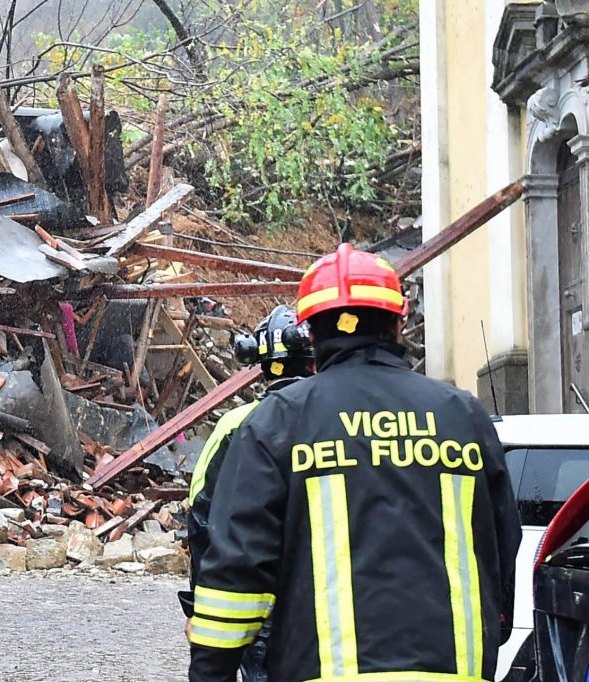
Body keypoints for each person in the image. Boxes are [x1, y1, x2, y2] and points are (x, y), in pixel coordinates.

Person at [187, 244, 522, 682]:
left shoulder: (278, 421)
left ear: (310, 334)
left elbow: (236, 571)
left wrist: (211, 671)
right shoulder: (463, 415)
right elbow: (502, 543)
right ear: (399, 324)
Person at [181, 305, 316, 682]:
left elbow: (202, 520)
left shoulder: (233, 426)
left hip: (254, 607)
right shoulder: (339, 418)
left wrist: (201, 610)